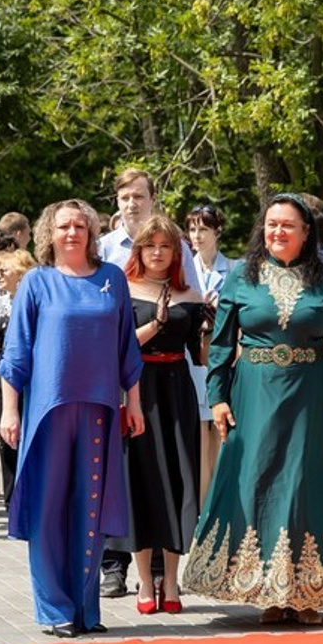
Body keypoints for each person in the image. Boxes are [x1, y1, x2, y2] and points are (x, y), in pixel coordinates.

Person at [183, 193, 323, 626]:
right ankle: (265, 588)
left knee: (303, 482)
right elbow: (221, 344)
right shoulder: (242, 277)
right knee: (257, 479)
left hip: (310, 395)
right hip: (253, 394)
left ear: (306, 232)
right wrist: (218, 396)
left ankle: (306, 592)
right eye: (271, 224)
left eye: (287, 225)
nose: (278, 231)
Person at [0, 199, 144, 637]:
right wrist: (9, 409)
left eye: (81, 226)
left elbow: (127, 349)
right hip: (48, 411)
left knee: (90, 508)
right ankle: (54, 610)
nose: (73, 233)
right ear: (50, 233)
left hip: (99, 409)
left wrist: (134, 403)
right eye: (64, 226)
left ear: (92, 233)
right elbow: (16, 352)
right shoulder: (37, 282)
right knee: (48, 509)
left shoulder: (112, 279)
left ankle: (85, 609)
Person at [107, 215, 206, 612]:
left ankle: (173, 583)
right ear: (139, 250)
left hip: (177, 390)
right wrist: (156, 324)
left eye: (166, 246)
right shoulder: (123, 289)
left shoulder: (189, 294)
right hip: (138, 389)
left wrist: (210, 329)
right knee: (141, 481)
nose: (158, 252)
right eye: (151, 245)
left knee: (180, 482)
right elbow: (117, 347)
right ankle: (145, 582)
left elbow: (201, 357)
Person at [0, 247, 37, 503]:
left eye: (4, 270)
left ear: (21, 273)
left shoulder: (38, 300)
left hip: (34, 378)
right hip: (3, 376)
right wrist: (0, 325)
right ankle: (11, 499)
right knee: (7, 439)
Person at [186, 202, 233, 499]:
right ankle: (202, 507)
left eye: (203, 229)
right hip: (192, 356)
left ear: (218, 231)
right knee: (198, 435)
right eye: (192, 229)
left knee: (221, 432)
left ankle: (220, 502)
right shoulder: (183, 268)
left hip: (223, 354)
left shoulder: (235, 269)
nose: (197, 236)